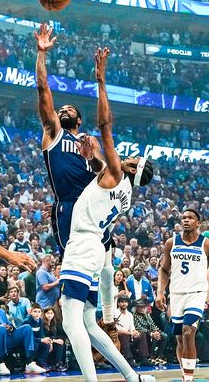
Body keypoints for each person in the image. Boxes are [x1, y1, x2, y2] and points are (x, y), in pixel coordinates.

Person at [60, 47, 154, 382]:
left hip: (83, 245)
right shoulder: (124, 191)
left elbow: (105, 124)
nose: (124, 157)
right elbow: (103, 169)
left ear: (131, 167)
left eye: (129, 159)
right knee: (87, 321)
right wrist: (94, 156)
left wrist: (101, 81)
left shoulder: (117, 170)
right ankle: (132, 376)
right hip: (95, 250)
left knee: (70, 321)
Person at [35, 23, 117, 328]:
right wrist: (41, 54)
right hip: (69, 208)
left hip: (93, 210)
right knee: (74, 293)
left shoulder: (89, 144)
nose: (64, 109)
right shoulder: (52, 132)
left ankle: (105, 314)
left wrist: (92, 158)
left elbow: (107, 175)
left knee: (108, 253)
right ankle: (70, 321)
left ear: (79, 120)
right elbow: (43, 89)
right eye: (62, 108)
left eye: (71, 109)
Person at [156, 209, 209, 382]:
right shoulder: (172, 243)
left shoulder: (205, 243)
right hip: (176, 294)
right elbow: (164, 270)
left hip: (196, 294)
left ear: (198, 223)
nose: (186, 220)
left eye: (190, 218)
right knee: (179, 337)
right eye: (184, 218)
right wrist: (160, 293)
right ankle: (185, 372)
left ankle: (188, 377)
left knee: (188, 333)